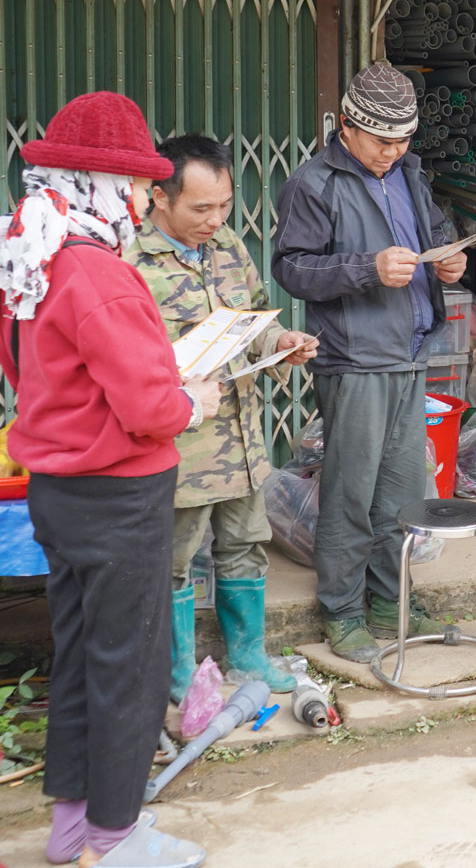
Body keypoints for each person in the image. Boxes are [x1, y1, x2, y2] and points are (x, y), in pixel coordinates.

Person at [0, 92, 214, 868]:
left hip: (58, 490)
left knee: (85, 658)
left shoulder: (33, 260)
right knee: (131, 669)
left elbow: (29, 371)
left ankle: (71, 828)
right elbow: (151, 406)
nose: (141, 201)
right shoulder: (99, 275)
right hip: (119, 497)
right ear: (96, 185)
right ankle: (116, 839)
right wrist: (196, 400)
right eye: (133, 187)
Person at [271, 62, 468, 663]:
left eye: (403, 139)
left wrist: (452, 260)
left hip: (410, 354)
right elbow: (292, 268)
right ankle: (343, 611)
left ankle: (390, 603)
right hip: (354, 359)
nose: (393, 151)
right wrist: (366, 268)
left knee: (403, 492)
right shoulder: (315, 182)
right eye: (383, 139)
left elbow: (438, 231)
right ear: (351, 128)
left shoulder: (409, 172)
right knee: (351, 493)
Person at [133, 135, 319, 702]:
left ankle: (248, 659)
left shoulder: (227, 245)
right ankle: (178, 678)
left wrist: (280, 340)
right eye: (200, 209)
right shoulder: (129, 259)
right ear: (160, 198)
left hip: (240, 436)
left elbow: (252, 314)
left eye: (224, 206)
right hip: (179, 444)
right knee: (173, 560)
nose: (216, 219)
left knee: (244, 544)